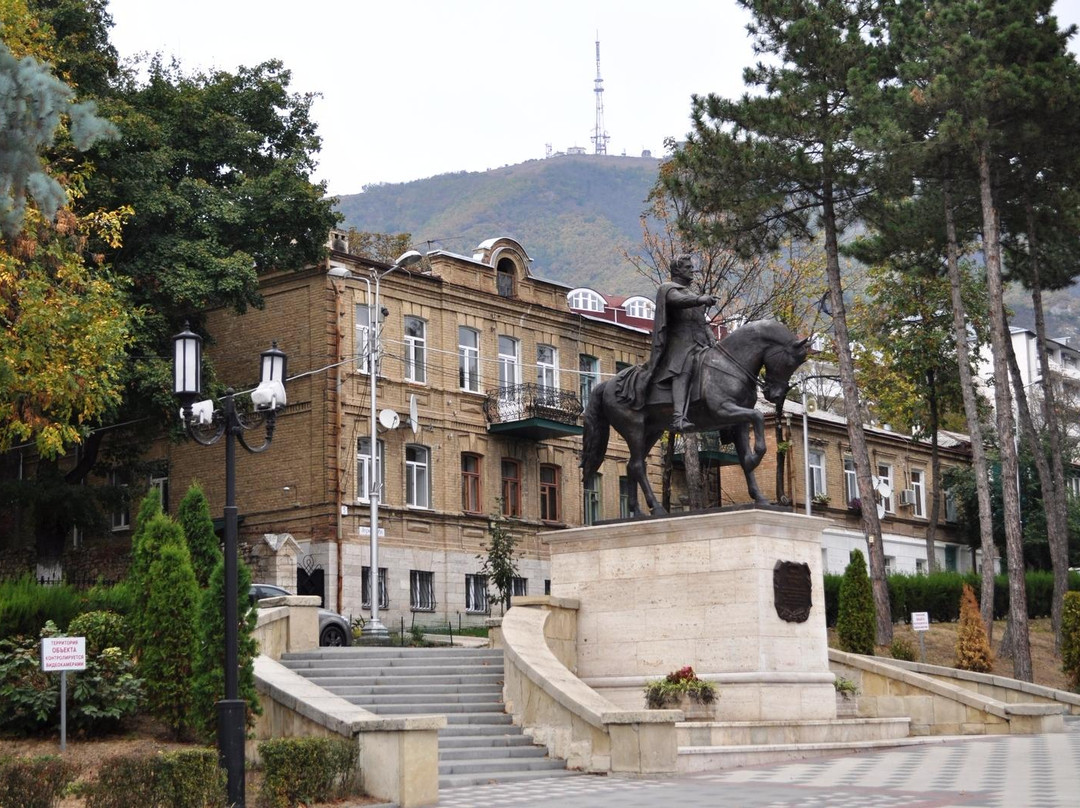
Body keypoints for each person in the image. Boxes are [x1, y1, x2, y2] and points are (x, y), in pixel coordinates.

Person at [616, 254, 718, 430]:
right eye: (687, 267)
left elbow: (702, 322)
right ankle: (679, 417)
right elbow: (678, 301)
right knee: (683, 369)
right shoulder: (668, 289)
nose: (691, 270)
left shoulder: (691, 294)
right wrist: (700, 299)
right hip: (679, 345)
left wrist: (712, 339)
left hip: (700, 343)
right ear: (677, 270)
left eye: (691, 267)